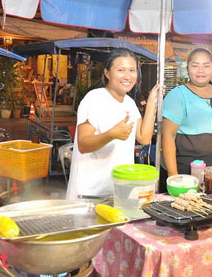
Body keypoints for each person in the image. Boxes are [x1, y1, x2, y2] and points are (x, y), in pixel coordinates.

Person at [66, 49, 159, 200]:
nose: (127, 76)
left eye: (132, 70)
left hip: (118, 189)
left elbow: (144, 138)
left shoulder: (129, 102)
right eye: (121, 70)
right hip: (89, 193)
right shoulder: (94, 99)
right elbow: (83, 144)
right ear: (107, 73)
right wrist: (111, 134)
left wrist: (151, 104)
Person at [161, 48, 212, 191]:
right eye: (195, 65)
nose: (200, 70)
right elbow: (167, 136)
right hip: (186, 173)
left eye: (206, 66)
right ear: (187, 69)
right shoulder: (177, 95)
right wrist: (173, 177)